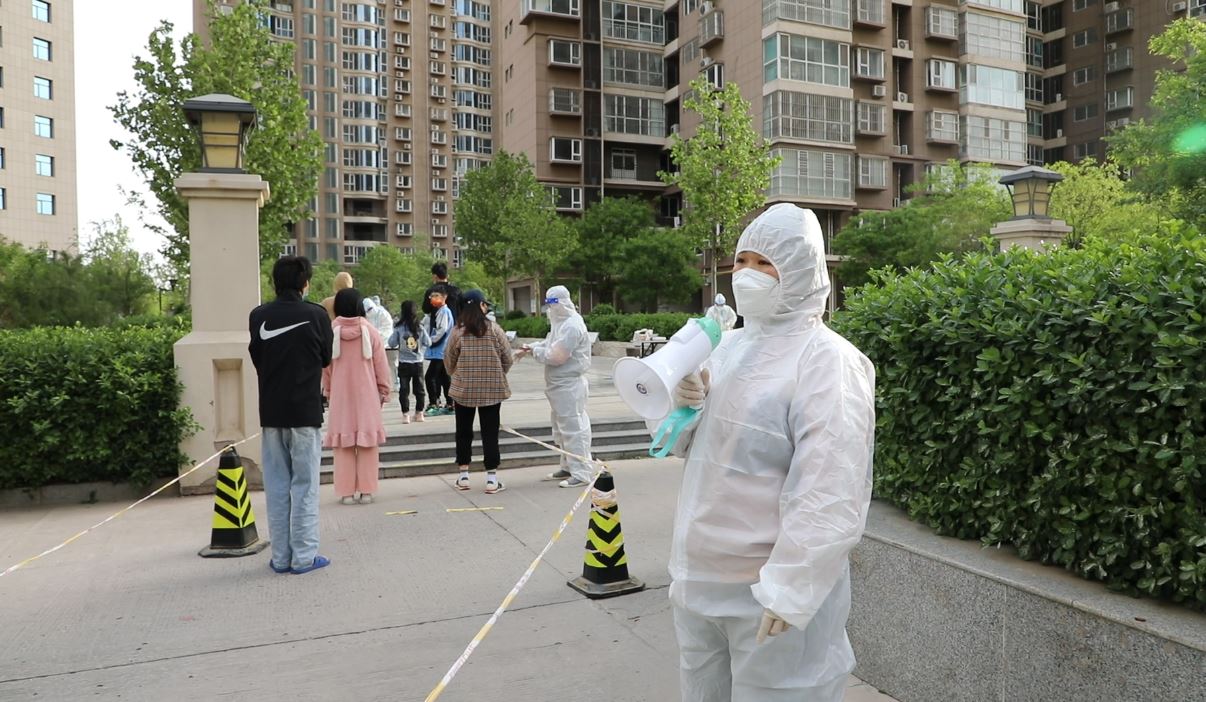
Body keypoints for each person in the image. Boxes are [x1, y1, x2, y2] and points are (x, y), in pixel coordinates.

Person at [661, 203, 876, 701]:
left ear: (801, 271)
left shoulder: (827, 361)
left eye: (766, 263)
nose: (747, 274)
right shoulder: (726, 348)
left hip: (766, 590)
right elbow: (687, 449)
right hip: (698, 580)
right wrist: (682, 406)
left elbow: (830, 486)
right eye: (742, 261)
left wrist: (792, 587)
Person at [248, 255, 333, 575]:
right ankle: (304, 557)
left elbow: (257, 357)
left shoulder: (258, 316)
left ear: (275, 282)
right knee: (305, 486)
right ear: (305, 283)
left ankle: (281, 557)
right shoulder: (317, 314)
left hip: (271, 413)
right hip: (305, 413)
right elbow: (326, 357)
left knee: (277, 486)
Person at [516, 285, 594, 489]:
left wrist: (535, 352)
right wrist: (531, 347)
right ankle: (568, 466)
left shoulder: (572, 326)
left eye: (553, 304)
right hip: (559, 385)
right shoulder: (561, 323)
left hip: (569, 385)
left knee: (573, 428)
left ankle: (581, 472)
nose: (550, 309)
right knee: (562, 428)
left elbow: (556, 356)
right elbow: (550, 343)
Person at [322, 288, 391, 506]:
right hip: (367, 396)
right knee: (367, 444)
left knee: (343, 446)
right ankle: (367, 491)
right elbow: (381, 364)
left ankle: (346, 493)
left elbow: (326, 368)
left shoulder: (331, 331)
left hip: (340, 397)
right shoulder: (370, 331)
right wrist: (384, 390)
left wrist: (329, 391)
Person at [444, 289, 514, 494]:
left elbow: (448, 360)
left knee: (463, 432)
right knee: (490, 433)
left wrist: (456, 374)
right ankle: (491, 478)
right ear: (480, 305)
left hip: (463, 390)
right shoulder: (494, 329)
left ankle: (463, 476)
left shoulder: (458, 331)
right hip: (491, 389)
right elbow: (507, 358)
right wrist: (498, 372)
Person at [388, 300, 430, 423]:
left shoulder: (399, 328)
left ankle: (405, 415)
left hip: (403, 362)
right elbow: (428, 342)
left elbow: (392, 343)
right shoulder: (420, 327)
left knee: (404, 390)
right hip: (418, 362)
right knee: (420, 390)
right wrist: (421, 350)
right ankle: (419, 413)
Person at [423, 288, 455, 415]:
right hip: (441, 350)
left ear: (444, 297)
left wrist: (431, 340)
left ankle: (434, 403)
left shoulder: (444, 312)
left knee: (430, 377)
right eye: (432, 296)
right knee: (444, 377)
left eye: (436, 296)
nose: (433, 299)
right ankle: (450, 403)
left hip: (440, 350)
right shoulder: (440, 311)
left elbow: (442, 329)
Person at [364, 296, 398, 392]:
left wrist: (375, 335)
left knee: (392, 365)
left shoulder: (383, 314)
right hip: (374, 345)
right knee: (376, 366)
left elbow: (387, 329)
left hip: (388, 345)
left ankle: (396, 383)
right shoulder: (365, 316)